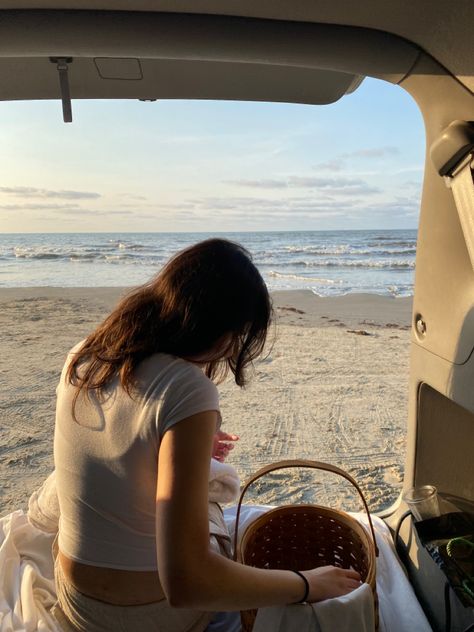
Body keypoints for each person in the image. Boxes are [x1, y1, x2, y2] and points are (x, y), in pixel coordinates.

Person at [52, 238, 361, 631]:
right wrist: (305, 584)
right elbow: (188, 584)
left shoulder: (86, 354)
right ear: (221, 329)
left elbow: (118, 444)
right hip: (142, 615)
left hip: (77, 599)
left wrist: (179, 447)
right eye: (237, 337)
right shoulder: (187, 387)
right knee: (214, 508)